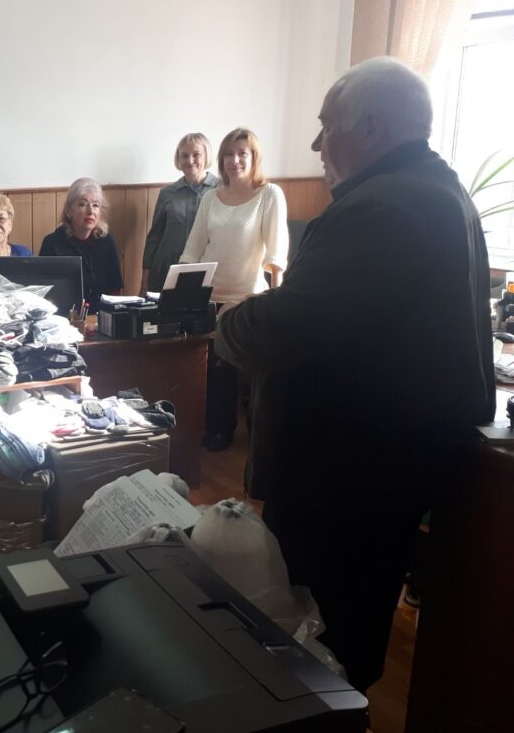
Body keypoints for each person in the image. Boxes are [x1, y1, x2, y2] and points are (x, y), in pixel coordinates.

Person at [214, 56, 494, 693]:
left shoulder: (381, 208)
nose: (317, 144)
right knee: (346, 633)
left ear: (370, 127)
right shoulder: (437, 189)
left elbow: (291, 325)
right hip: (376, 472)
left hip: (344, 481)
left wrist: (228, 325)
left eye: (326, 125)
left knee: (318, 643)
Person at [179, 128, 288, 452]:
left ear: (254, 158)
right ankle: (218, 430)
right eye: (229, 154)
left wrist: (276, 303)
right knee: (213, 370)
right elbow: (192, 250)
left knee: (252, 373)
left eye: (243, 153)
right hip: (209, 297)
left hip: (247, 298)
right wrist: (182, 293)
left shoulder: (269, 194)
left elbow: (276, 254)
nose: (235, 160)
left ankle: (258, 436)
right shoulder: (211, 198)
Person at [139, 133, 219, 295]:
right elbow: (155, 236)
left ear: (206, 156)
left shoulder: (221, 189)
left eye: (196, 154)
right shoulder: (167, 193)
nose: (190, 160)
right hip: (165, 270)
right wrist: (145, 277)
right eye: (184, 155)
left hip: (204, 269)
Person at [39, 178, 123, 313]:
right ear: (68, 211)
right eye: (83, 204)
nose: (90, 211)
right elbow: (44, 292)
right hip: (62, 318)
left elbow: (114, 290)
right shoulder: (52, 243)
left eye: (95, 205)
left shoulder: (107, 242)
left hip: (100, 318)